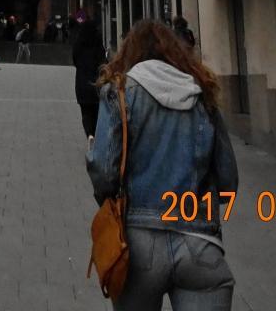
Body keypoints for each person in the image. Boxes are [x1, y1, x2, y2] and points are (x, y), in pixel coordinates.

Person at [87, 19, 238, 309]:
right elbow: (228, 180)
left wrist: (109, 200)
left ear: (129, 53)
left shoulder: (120, 91)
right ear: (176, 53)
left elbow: (104, 173)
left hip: (138, 245)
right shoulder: (202, 95)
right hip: (199, 243)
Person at [72, 10, 106, 140]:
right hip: (97, 83)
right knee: (97, 111)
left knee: (85, 112)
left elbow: (75, 59)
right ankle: (96, 135)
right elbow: (103, 62)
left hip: (82, 82)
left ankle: (89, 134)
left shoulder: (79, 42)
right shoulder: (97, 42)